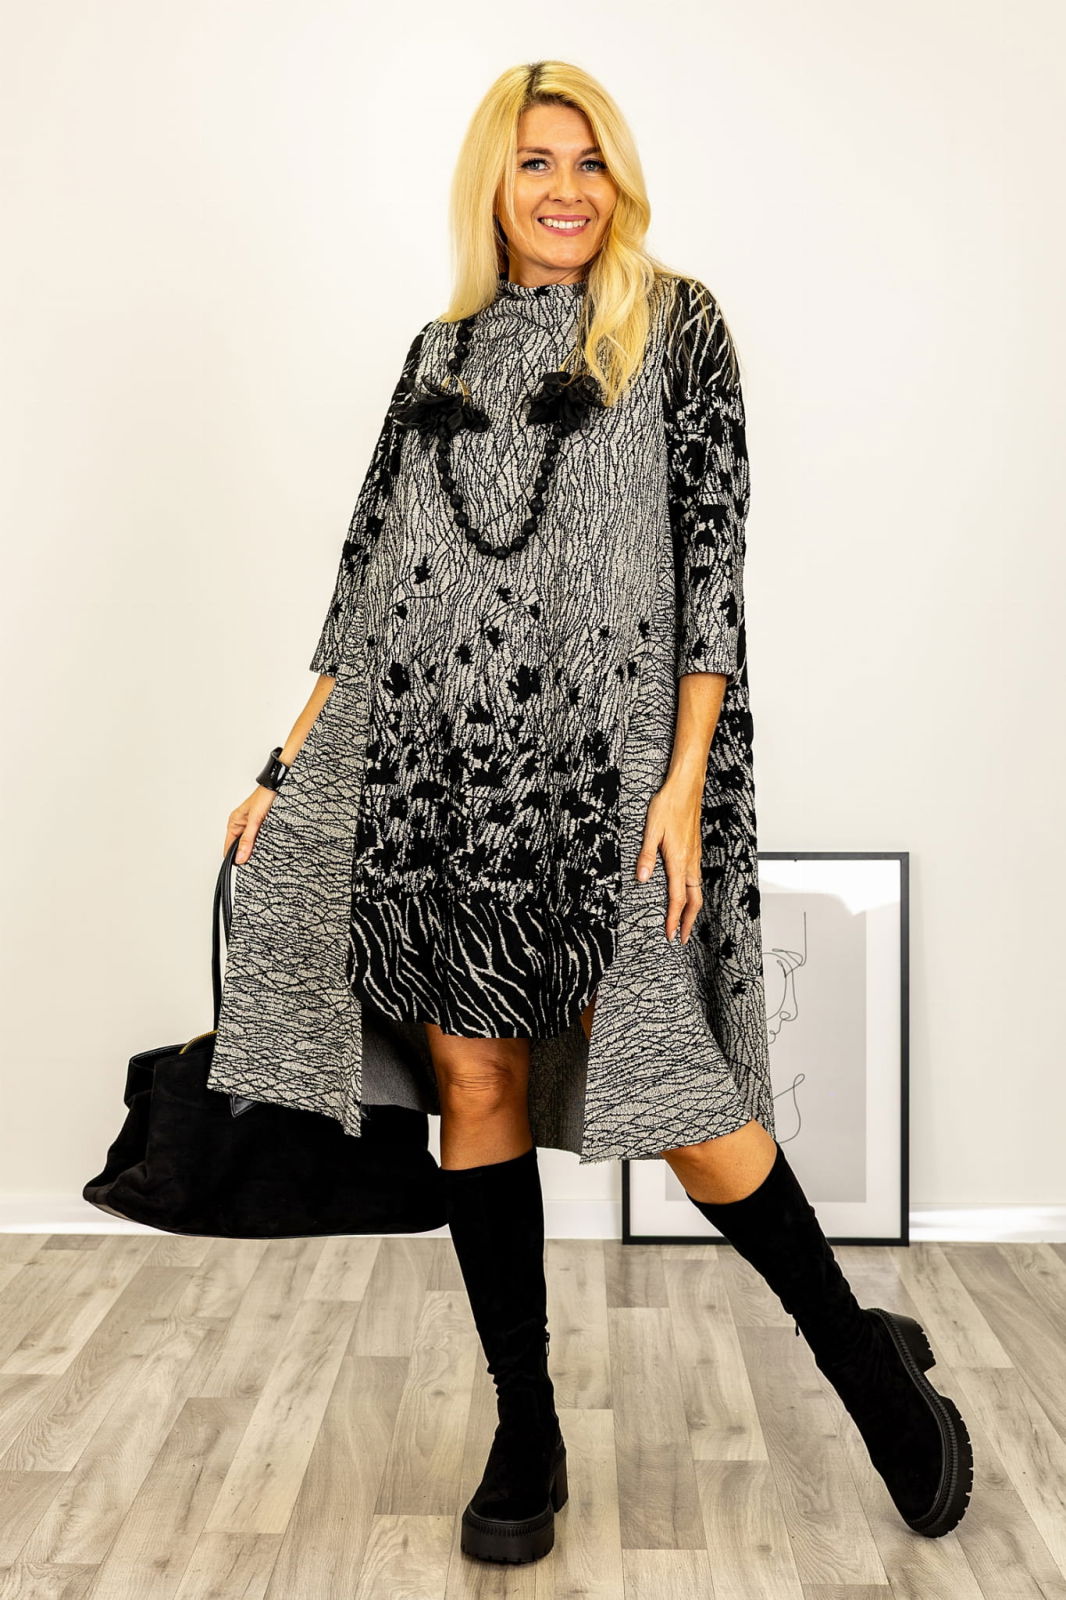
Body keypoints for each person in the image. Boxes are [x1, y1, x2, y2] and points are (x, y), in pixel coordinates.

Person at [210, 61, 973, 1565]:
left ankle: (865, 1369)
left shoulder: (676, 326)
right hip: (433, 777)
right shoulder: (436, 353)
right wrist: (284, 768)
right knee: (473, 1079)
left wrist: (686, 782)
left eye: (588, 162)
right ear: (490, 186)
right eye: (534, 163)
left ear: (618, 181)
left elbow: (713, 565)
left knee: (677, 1092)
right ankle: (526, 1425)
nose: (564, 190)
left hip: (610, 776)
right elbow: (367, 581)